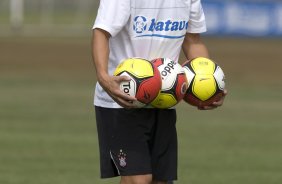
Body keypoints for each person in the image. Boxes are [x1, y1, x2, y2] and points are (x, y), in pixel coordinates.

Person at [92, 0, 227, 183]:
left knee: (161, 180)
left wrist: (207, 87)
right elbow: (101, 32)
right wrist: (103, 76)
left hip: (165, 100)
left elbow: (193, 41)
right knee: (139, 179)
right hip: (123, 99)